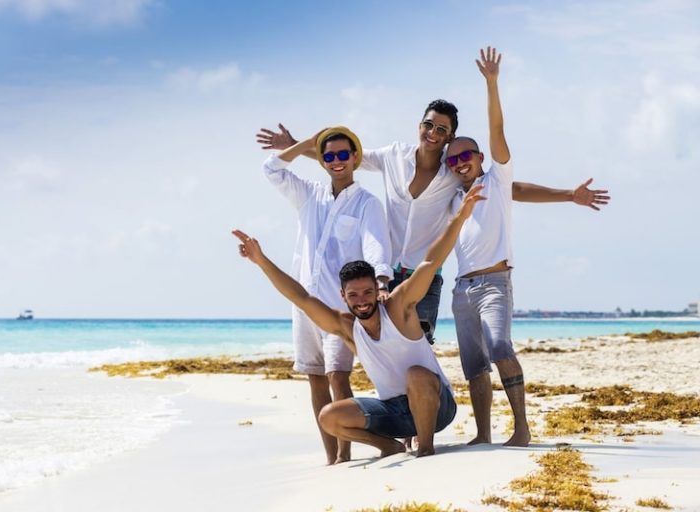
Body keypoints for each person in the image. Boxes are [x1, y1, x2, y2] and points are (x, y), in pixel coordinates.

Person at [256, 104, 609, 347]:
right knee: (381, 347)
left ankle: (418, 434)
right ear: (420, 125)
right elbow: (345, 159)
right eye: (429, 125)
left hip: (424, 276)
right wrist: (298, 147)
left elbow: (510, 189)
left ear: (449, 135)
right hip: (385, 274)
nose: (433, 132)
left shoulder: (455, 172)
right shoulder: (393, 156)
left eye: (442, 129)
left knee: (419, 346)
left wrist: (568, 195)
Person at [231, 184, 486, 458]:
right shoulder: (347, 328)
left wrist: (459, 218)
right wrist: (261, 260)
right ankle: (389, 446)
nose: (362, 300)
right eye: (353, 295)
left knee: (417, 374)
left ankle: (425, 449)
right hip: (394, 413)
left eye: (367, 292)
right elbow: (301, 297)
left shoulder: (399, 308)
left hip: (437, 406)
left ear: (378, 290)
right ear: (343, 296)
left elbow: (430, 262)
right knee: (329, 417)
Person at [262, 126, 393, 465]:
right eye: (329, 155)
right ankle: (332, 456)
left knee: (338, 376)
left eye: (342, 155)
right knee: (316, 378)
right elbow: (271, 169)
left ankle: (346, 454)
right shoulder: (309, 195)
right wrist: (305, 144)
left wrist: (380, 281)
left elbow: (375, 243)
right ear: (321, 160)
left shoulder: (368, 204)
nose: (336, 161)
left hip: (339, 308)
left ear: (354, 158)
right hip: (304, 304)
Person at [447, 46, 531, 446]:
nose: (460, 162)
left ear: (480, 157)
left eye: (466, 155)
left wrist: (492, 84)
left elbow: (497, 131)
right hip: (462, 289)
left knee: (499, 347)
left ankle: (522, 428)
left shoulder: (497, 180)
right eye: (453, 159)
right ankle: (483, 434)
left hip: (495, 282)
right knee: (474, 365)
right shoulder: (452, 199)